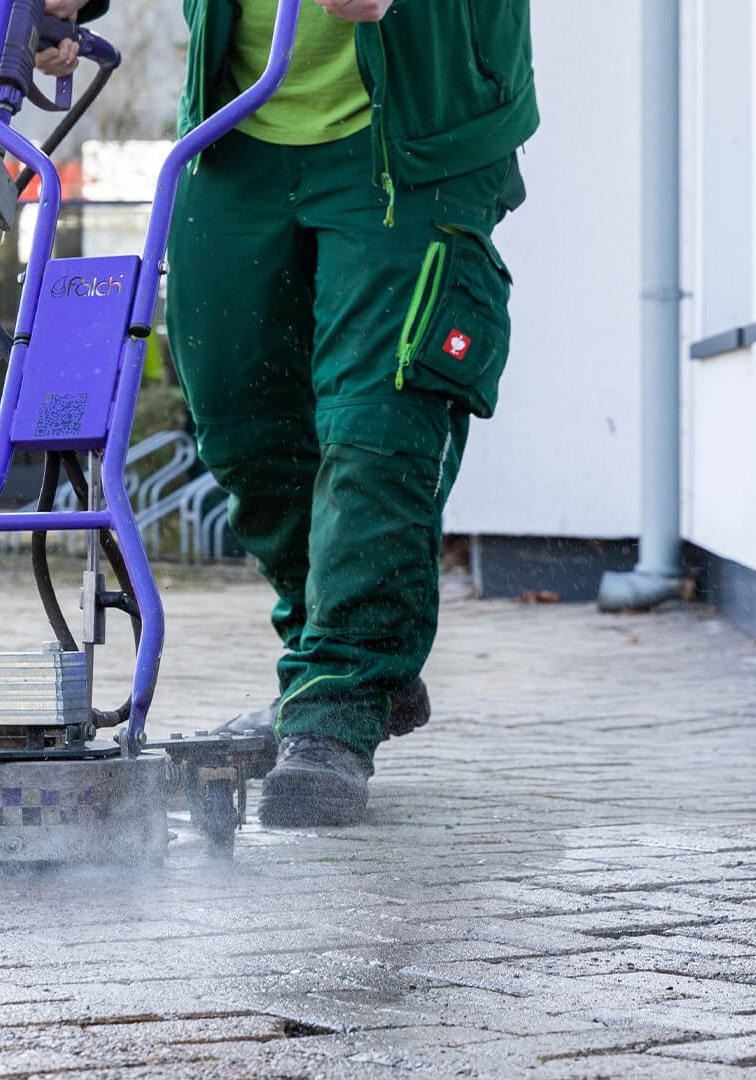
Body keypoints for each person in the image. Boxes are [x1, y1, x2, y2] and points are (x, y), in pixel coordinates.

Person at [43, 0, 537, 825]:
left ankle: (335, 705)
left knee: (376, 423)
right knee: (243, 424)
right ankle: (342, 663)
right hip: (237, 129)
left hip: (417, 136)